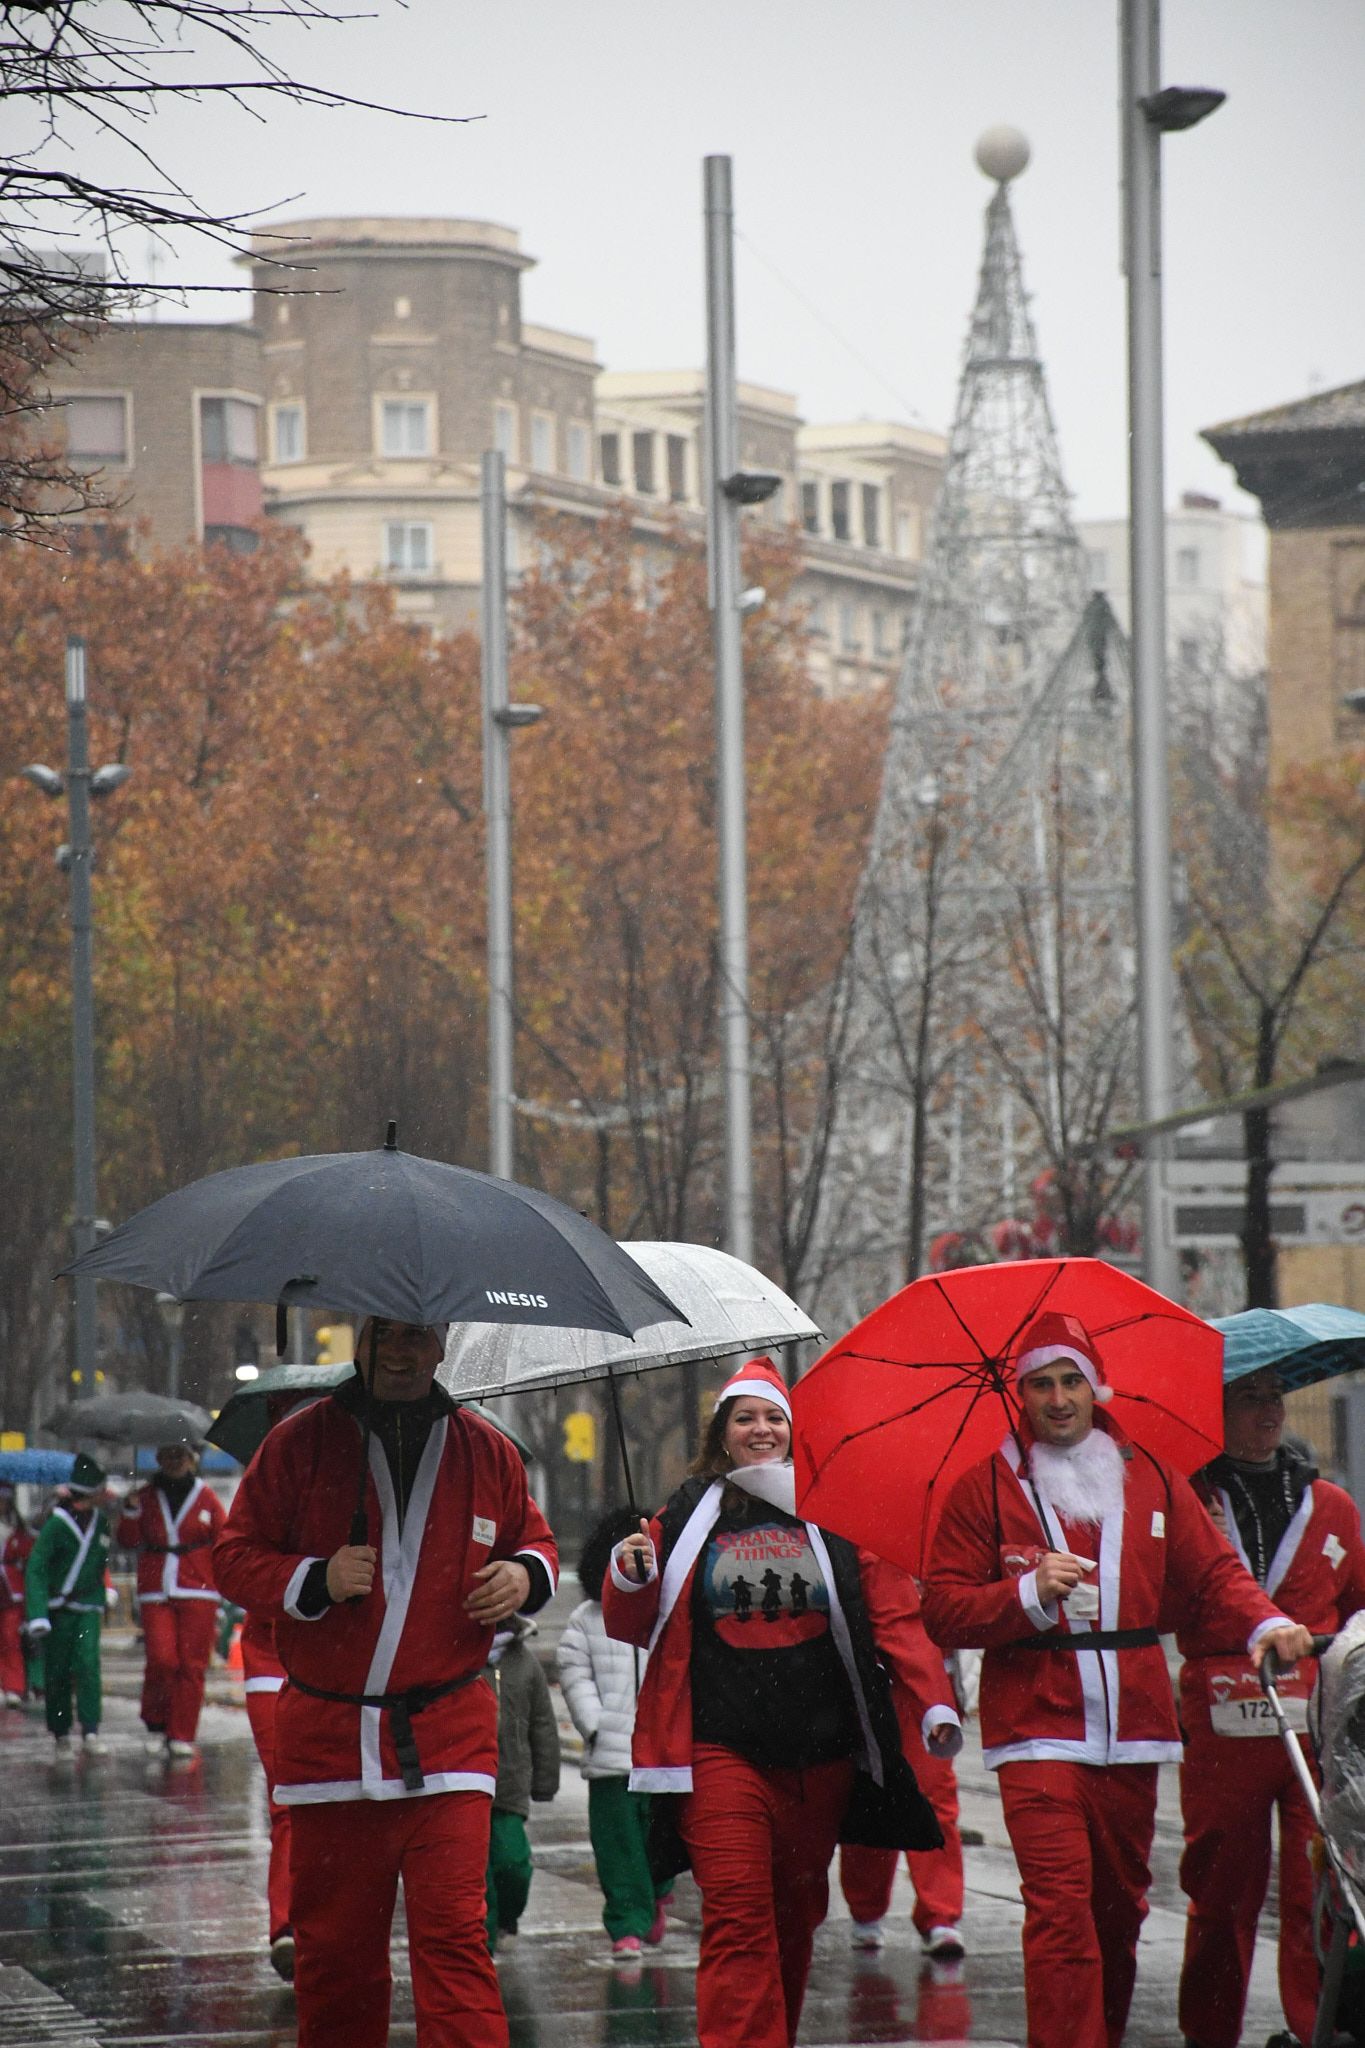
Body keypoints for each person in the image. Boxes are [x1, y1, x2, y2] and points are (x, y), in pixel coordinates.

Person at [920, 1310, 1315, 2048]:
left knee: (1116, 1915)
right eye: (1041, 1384)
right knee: (1061, 1911)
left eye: (1071, 1380)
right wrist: (1026, 1594)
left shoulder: (1151, 1474)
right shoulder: (986, 1488)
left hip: (1134, 1732)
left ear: (1095, 1387)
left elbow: (1214, 1576)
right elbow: (941, 1609)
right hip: (1036, 1731)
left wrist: (1264, 1623)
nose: (1059, 1398)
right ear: (1021, 1394)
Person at [213, 1316, 559, 2048]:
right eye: (384, 1335)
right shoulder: (299, 1443)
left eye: (416, 1336)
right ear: (360, 1340)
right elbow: (234, 1557)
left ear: (440, 1346)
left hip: (450, 1740)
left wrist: (524, 1575)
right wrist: (314, 1577)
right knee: (335, 1959)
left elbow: (534, 1540)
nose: (400, 1352)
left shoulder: (486, 1447)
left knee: (459, 1946)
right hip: (330, 1748)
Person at [603, 1356, 944, 2048]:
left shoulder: (836, 1509)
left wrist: (933, 1703)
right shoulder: (686, 1512)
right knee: (736, 1919)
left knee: (793, 1920)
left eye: (772, 1417)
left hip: (819, 1757)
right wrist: (628, 1570)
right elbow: (631, 1621)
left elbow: (892, 1615)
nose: (759, 1429)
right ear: (722, 1433)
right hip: (719, 1750)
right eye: (744, 1418)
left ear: (793, 1430)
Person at [1177, 1365, 1365, 2048]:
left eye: (1273, 1399)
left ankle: (1314, 2030)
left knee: (1318, 1887)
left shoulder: (1331, 1505)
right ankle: (1210, 2031)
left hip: (1313, 1724)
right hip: (1224, 1712)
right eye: (1246, 1399)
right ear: (1213, 1413)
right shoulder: (1189, 1501)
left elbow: (1357, 1619)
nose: (1266, 1413)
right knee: (1221, 1891)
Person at [557, 1505, 674, 1959]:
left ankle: (657, 1891)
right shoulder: (587, 1619)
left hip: (662, 1752)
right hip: (611, 1755)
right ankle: (627, 1920)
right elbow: (573, 1670)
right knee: (617, 1845)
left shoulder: (669, 1611)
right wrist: (594, 1724)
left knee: (661, 1834)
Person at [838, 1559, 966, 1959]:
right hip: (871, 1677)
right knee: (871, 1794)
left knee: (934, 1795)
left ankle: (940, 1914)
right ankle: (866, 1908)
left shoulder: (937, 1525)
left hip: (924, 1674)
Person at [117, 1439, 226, 1760]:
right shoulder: (145, 1496)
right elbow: (128, 1540)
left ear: (191, 1459)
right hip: (157, 1587)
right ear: (159, 1457)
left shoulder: (206, 1496)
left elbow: (225, 1540)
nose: (175, 1460)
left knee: (193, 1665)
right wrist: (131, 1511)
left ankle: (182, 1734)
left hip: (199, 1588)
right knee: (163, 1659)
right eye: (168, 1454)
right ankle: (156, 1721)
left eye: (181, 1454)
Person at [24, 1453, 116, 1760]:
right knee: (58, 1671)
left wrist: (108, 1589)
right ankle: (61, 1732)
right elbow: (36, 1568)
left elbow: (100, 1563)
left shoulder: (102, 1523)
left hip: (88, 1604)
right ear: (91, 1492)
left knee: (88, 1665)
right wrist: (37, 1613)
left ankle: (90, 1729)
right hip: (57, 1609)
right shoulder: (56, 1524)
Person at [483, 1612, 560, 1953]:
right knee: (474, 1877)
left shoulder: (526, 1663)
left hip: (508, 1786)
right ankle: (479, 1944)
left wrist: (545, 1780)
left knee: (513, 1865)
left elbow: (542, 1724)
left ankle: (504, 1920)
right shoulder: (455, 1658)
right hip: (461, 1783)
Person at [0, 1482, 34, 1705]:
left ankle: (13, 1685)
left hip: (10, 1591)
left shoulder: (19, 1531)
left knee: (10, 1639)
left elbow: (29, 1555)